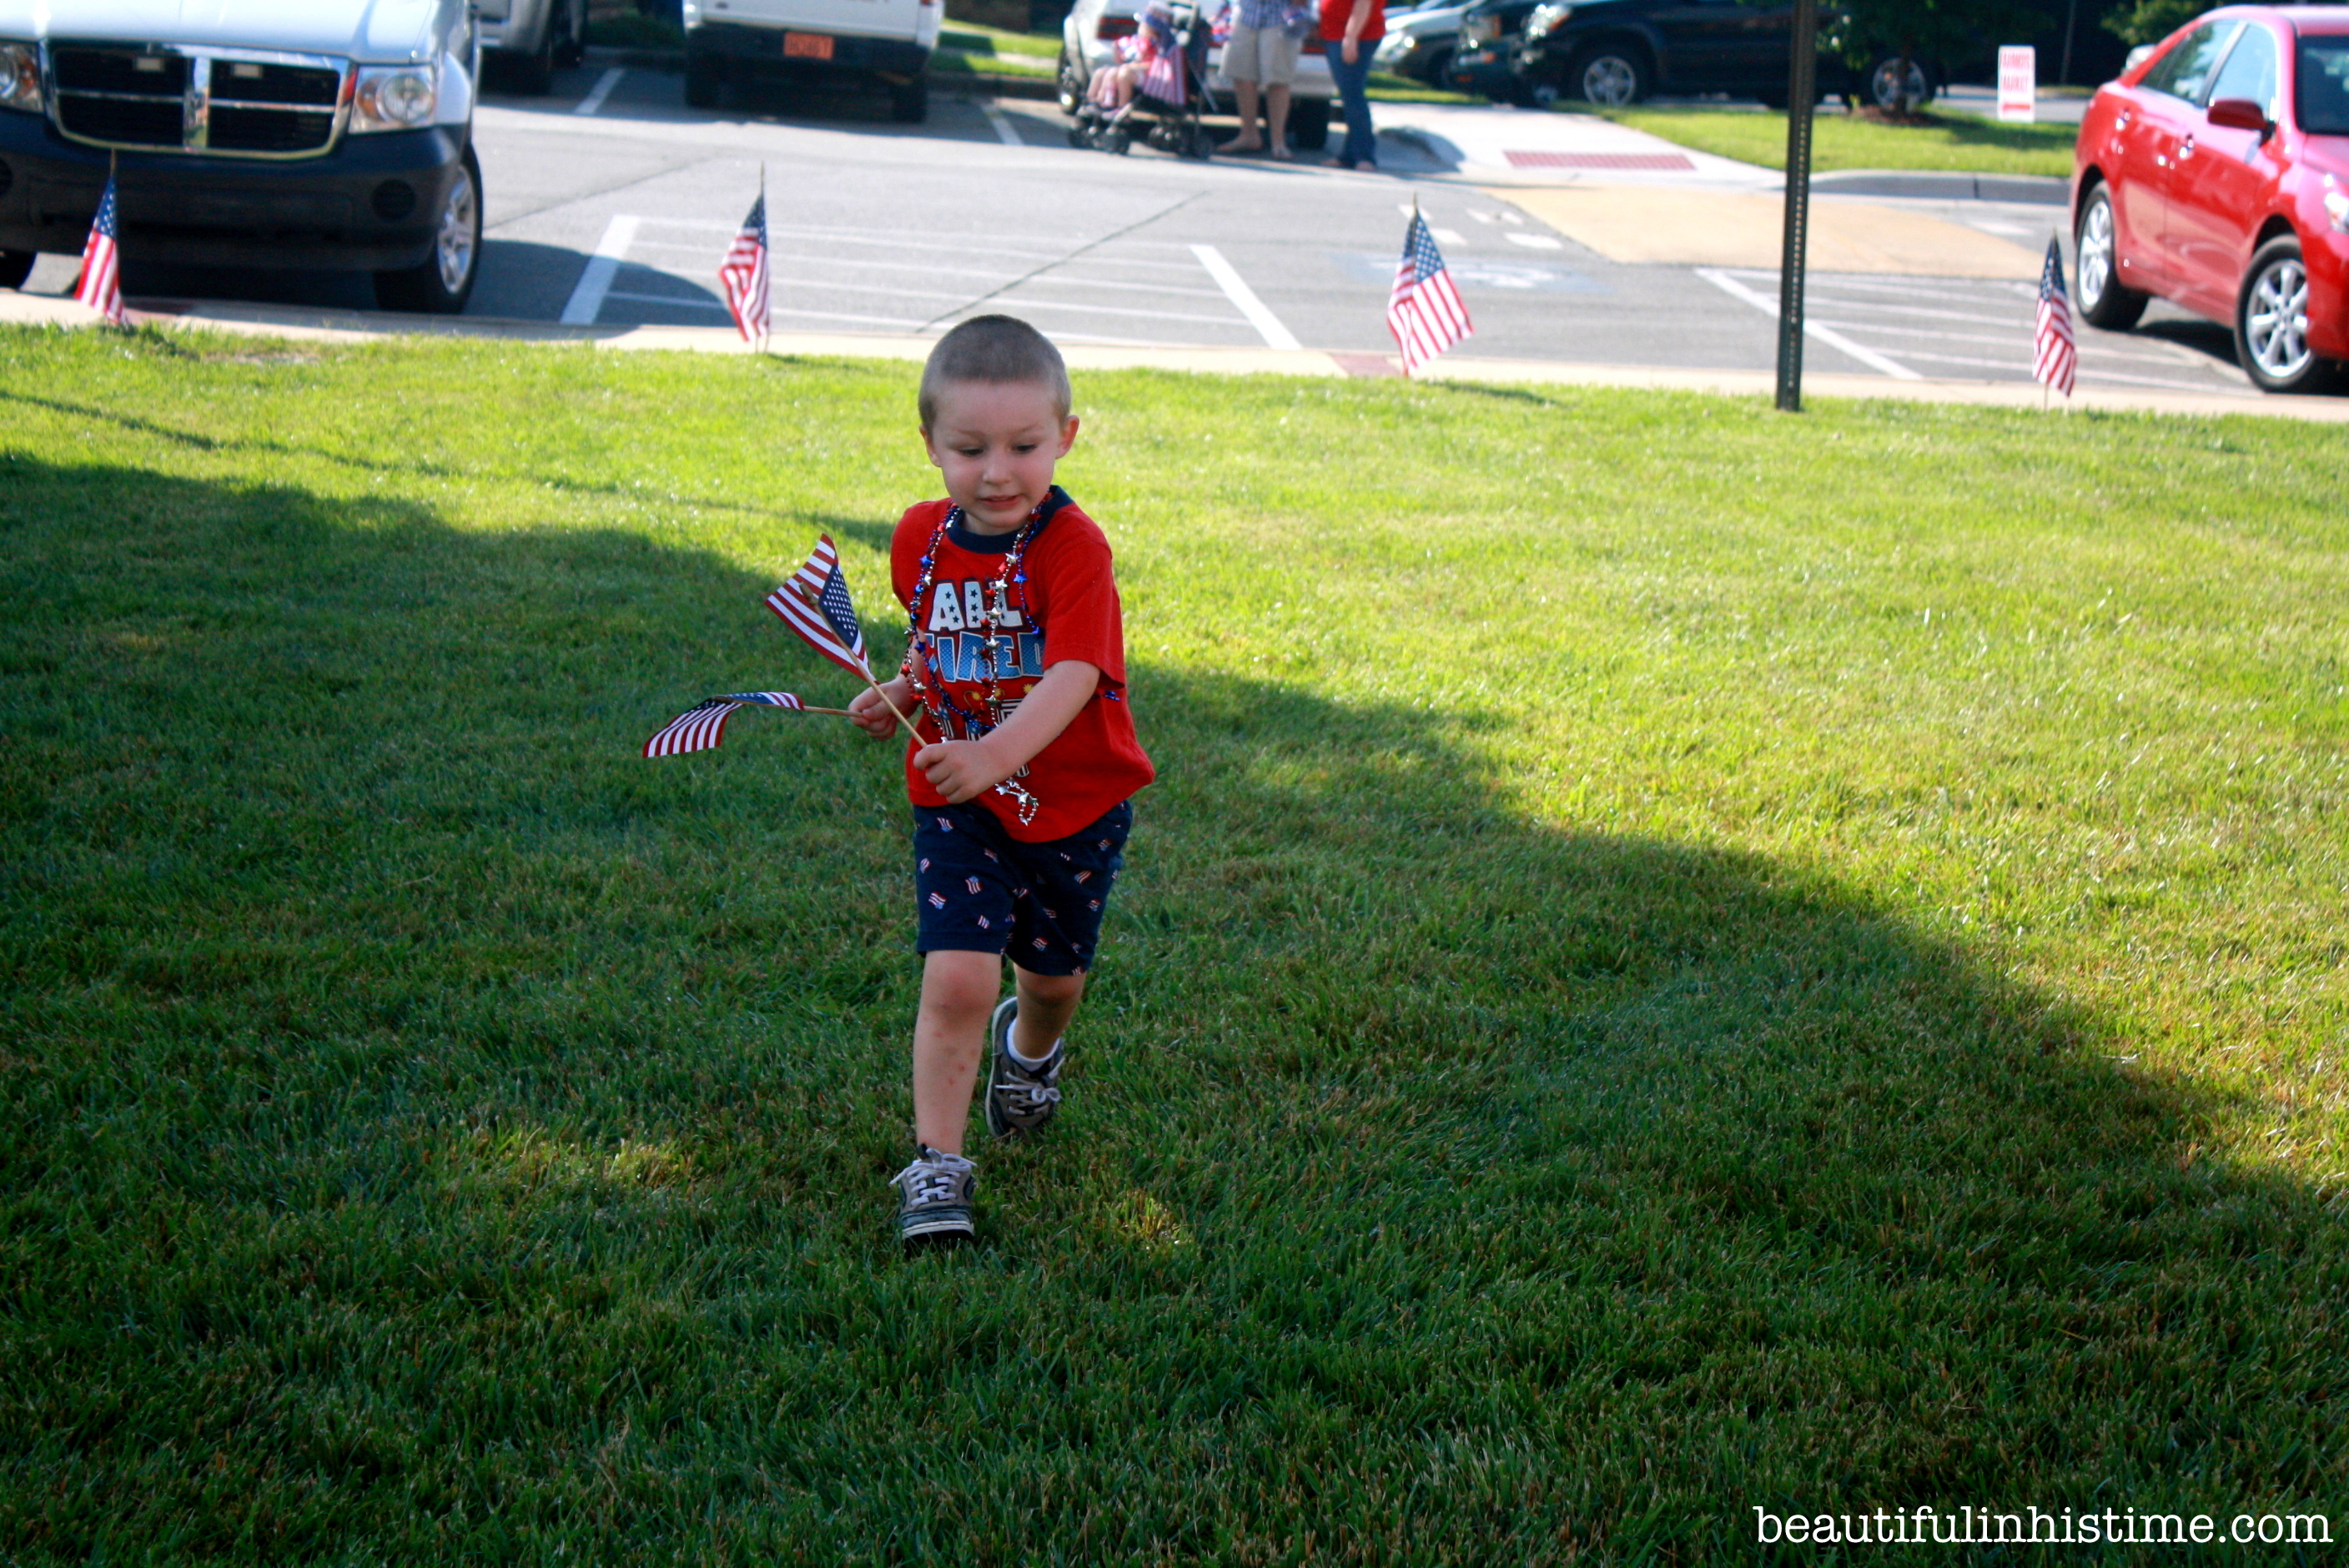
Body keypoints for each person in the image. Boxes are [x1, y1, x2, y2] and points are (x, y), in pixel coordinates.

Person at [848, 315, 1155, 1253]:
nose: (996, 471)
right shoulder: (918, 540)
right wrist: (907, 688)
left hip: (1073, 804)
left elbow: (1069, 673)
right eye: (968, 447)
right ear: (930, 443)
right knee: (956, 975)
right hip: (958, 801)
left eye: (1023, 446)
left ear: (1064, 437)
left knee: (1052, 978)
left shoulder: (1075, 550)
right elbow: (944, 643)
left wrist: (997, 752)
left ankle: (1031, 1051)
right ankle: (935, 1161)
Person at [1217, 0, 1303, 158]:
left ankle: (1278, 143)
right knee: (1241, 74)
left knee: (1278, 80)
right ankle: (1249, 135)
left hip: (1280, 15)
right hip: (1246, 13)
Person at [1320, 0, 1384, 169]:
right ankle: (1348, 155)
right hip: (1335, 33)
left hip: (1357, 36)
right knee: (1349, 96)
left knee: (1353, 95)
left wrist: (1351, 37)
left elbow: (1363, 3)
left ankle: (1365, 156)